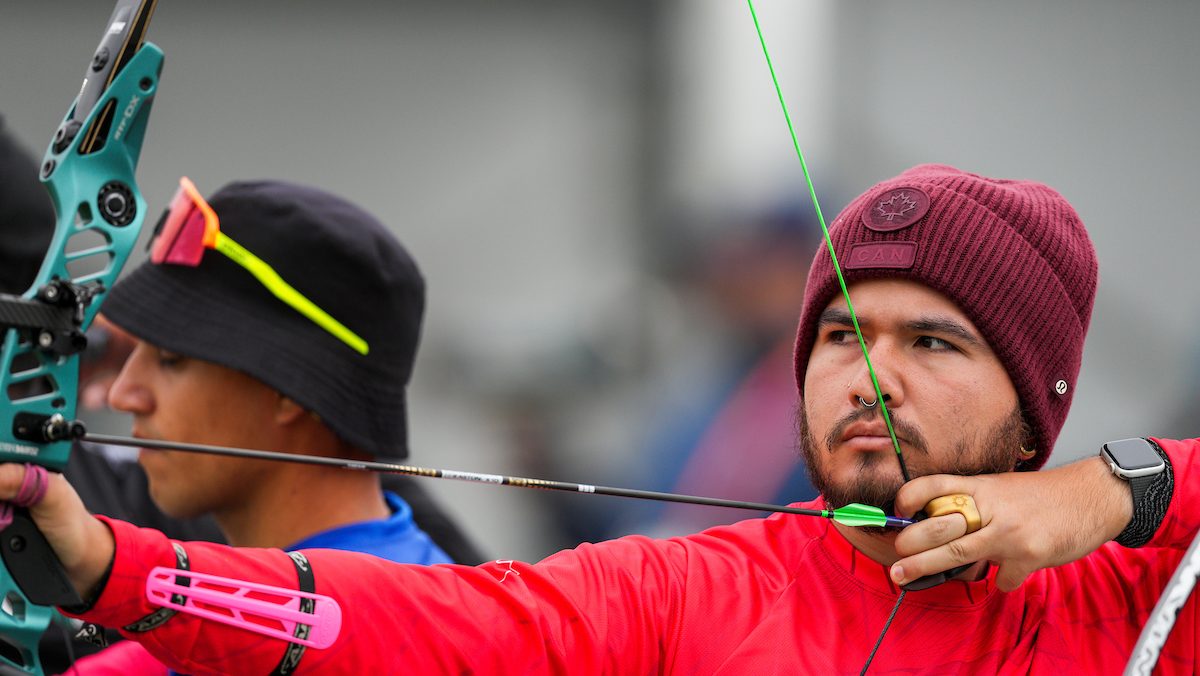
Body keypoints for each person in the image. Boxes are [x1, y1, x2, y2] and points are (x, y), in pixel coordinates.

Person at [9, 164, 1198, 673]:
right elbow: (406, 628)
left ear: (1035, 403)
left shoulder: (1139, 600)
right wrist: (114, 565)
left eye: (931, 343)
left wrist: (1114, 487)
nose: (867, 377)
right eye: (842, 335)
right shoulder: (699, 590)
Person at [61, 177, 486, 673]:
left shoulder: (425, 637)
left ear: (292, 388)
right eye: (134, 356)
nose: (121, 394)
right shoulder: (185, 642)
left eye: (172, 359)